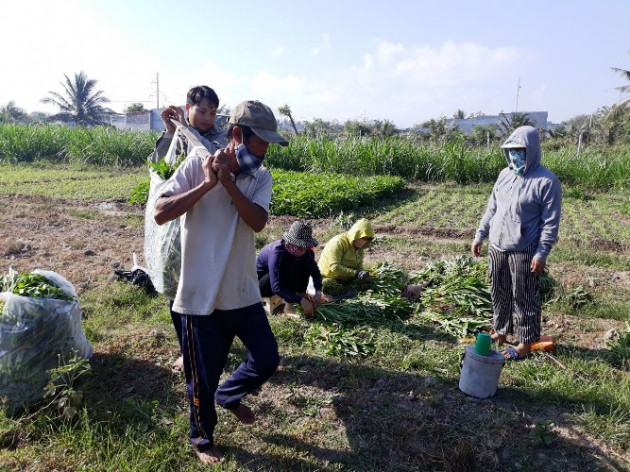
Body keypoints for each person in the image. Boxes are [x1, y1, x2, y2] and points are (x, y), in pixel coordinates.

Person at [153, 100, 288, 465]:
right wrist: (208, 183)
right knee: (202, 380)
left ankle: (230, 395)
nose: (264, 149)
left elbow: (257, 222)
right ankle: (202, 438)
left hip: (241, 292)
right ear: (238, 135)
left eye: (268, 143)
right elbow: (161, 212)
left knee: (267, 358)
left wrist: (228, 183)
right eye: (260, 140)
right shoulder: (197, 166)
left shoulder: (260, 176)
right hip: (200, 298)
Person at [149, 85, 228, 374]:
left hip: (209, 221)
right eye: (201, 111)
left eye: (212, 112)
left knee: (210, 282)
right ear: (187, 107)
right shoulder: (174, 136)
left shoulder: (220, 139)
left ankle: (211, 343)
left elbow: (209, 160)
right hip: (175, 224)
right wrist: (171, 131)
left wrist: (186, 132)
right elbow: (159, 169)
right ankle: (187, 349)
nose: (207, 117)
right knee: (176, 285)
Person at [471, 126, 562, 361]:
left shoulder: (546, 181)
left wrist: (542, 253)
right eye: (511, 150)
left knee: (524, 297)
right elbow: (492, 208)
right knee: (498, 292)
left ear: (531, 150)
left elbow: (550, 222)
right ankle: (501, 331)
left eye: (520, 150)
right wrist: (480, 235)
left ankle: (525, 343)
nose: (515, 155)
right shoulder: (504, 175)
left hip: (524, 248)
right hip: (498, 246)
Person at [257, 220, 323, 317]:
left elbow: (314, 271)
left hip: (278, 279)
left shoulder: (302, 251)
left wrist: (318, 291)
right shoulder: (277, 253)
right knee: (291, 268)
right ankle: (288, 307)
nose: (303, 249)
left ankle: (300, 293)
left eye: (304, 246)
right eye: (300, 246)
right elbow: (276, 287)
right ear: (291, 242)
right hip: (261, 284)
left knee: (307, 260)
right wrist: (300, 300)